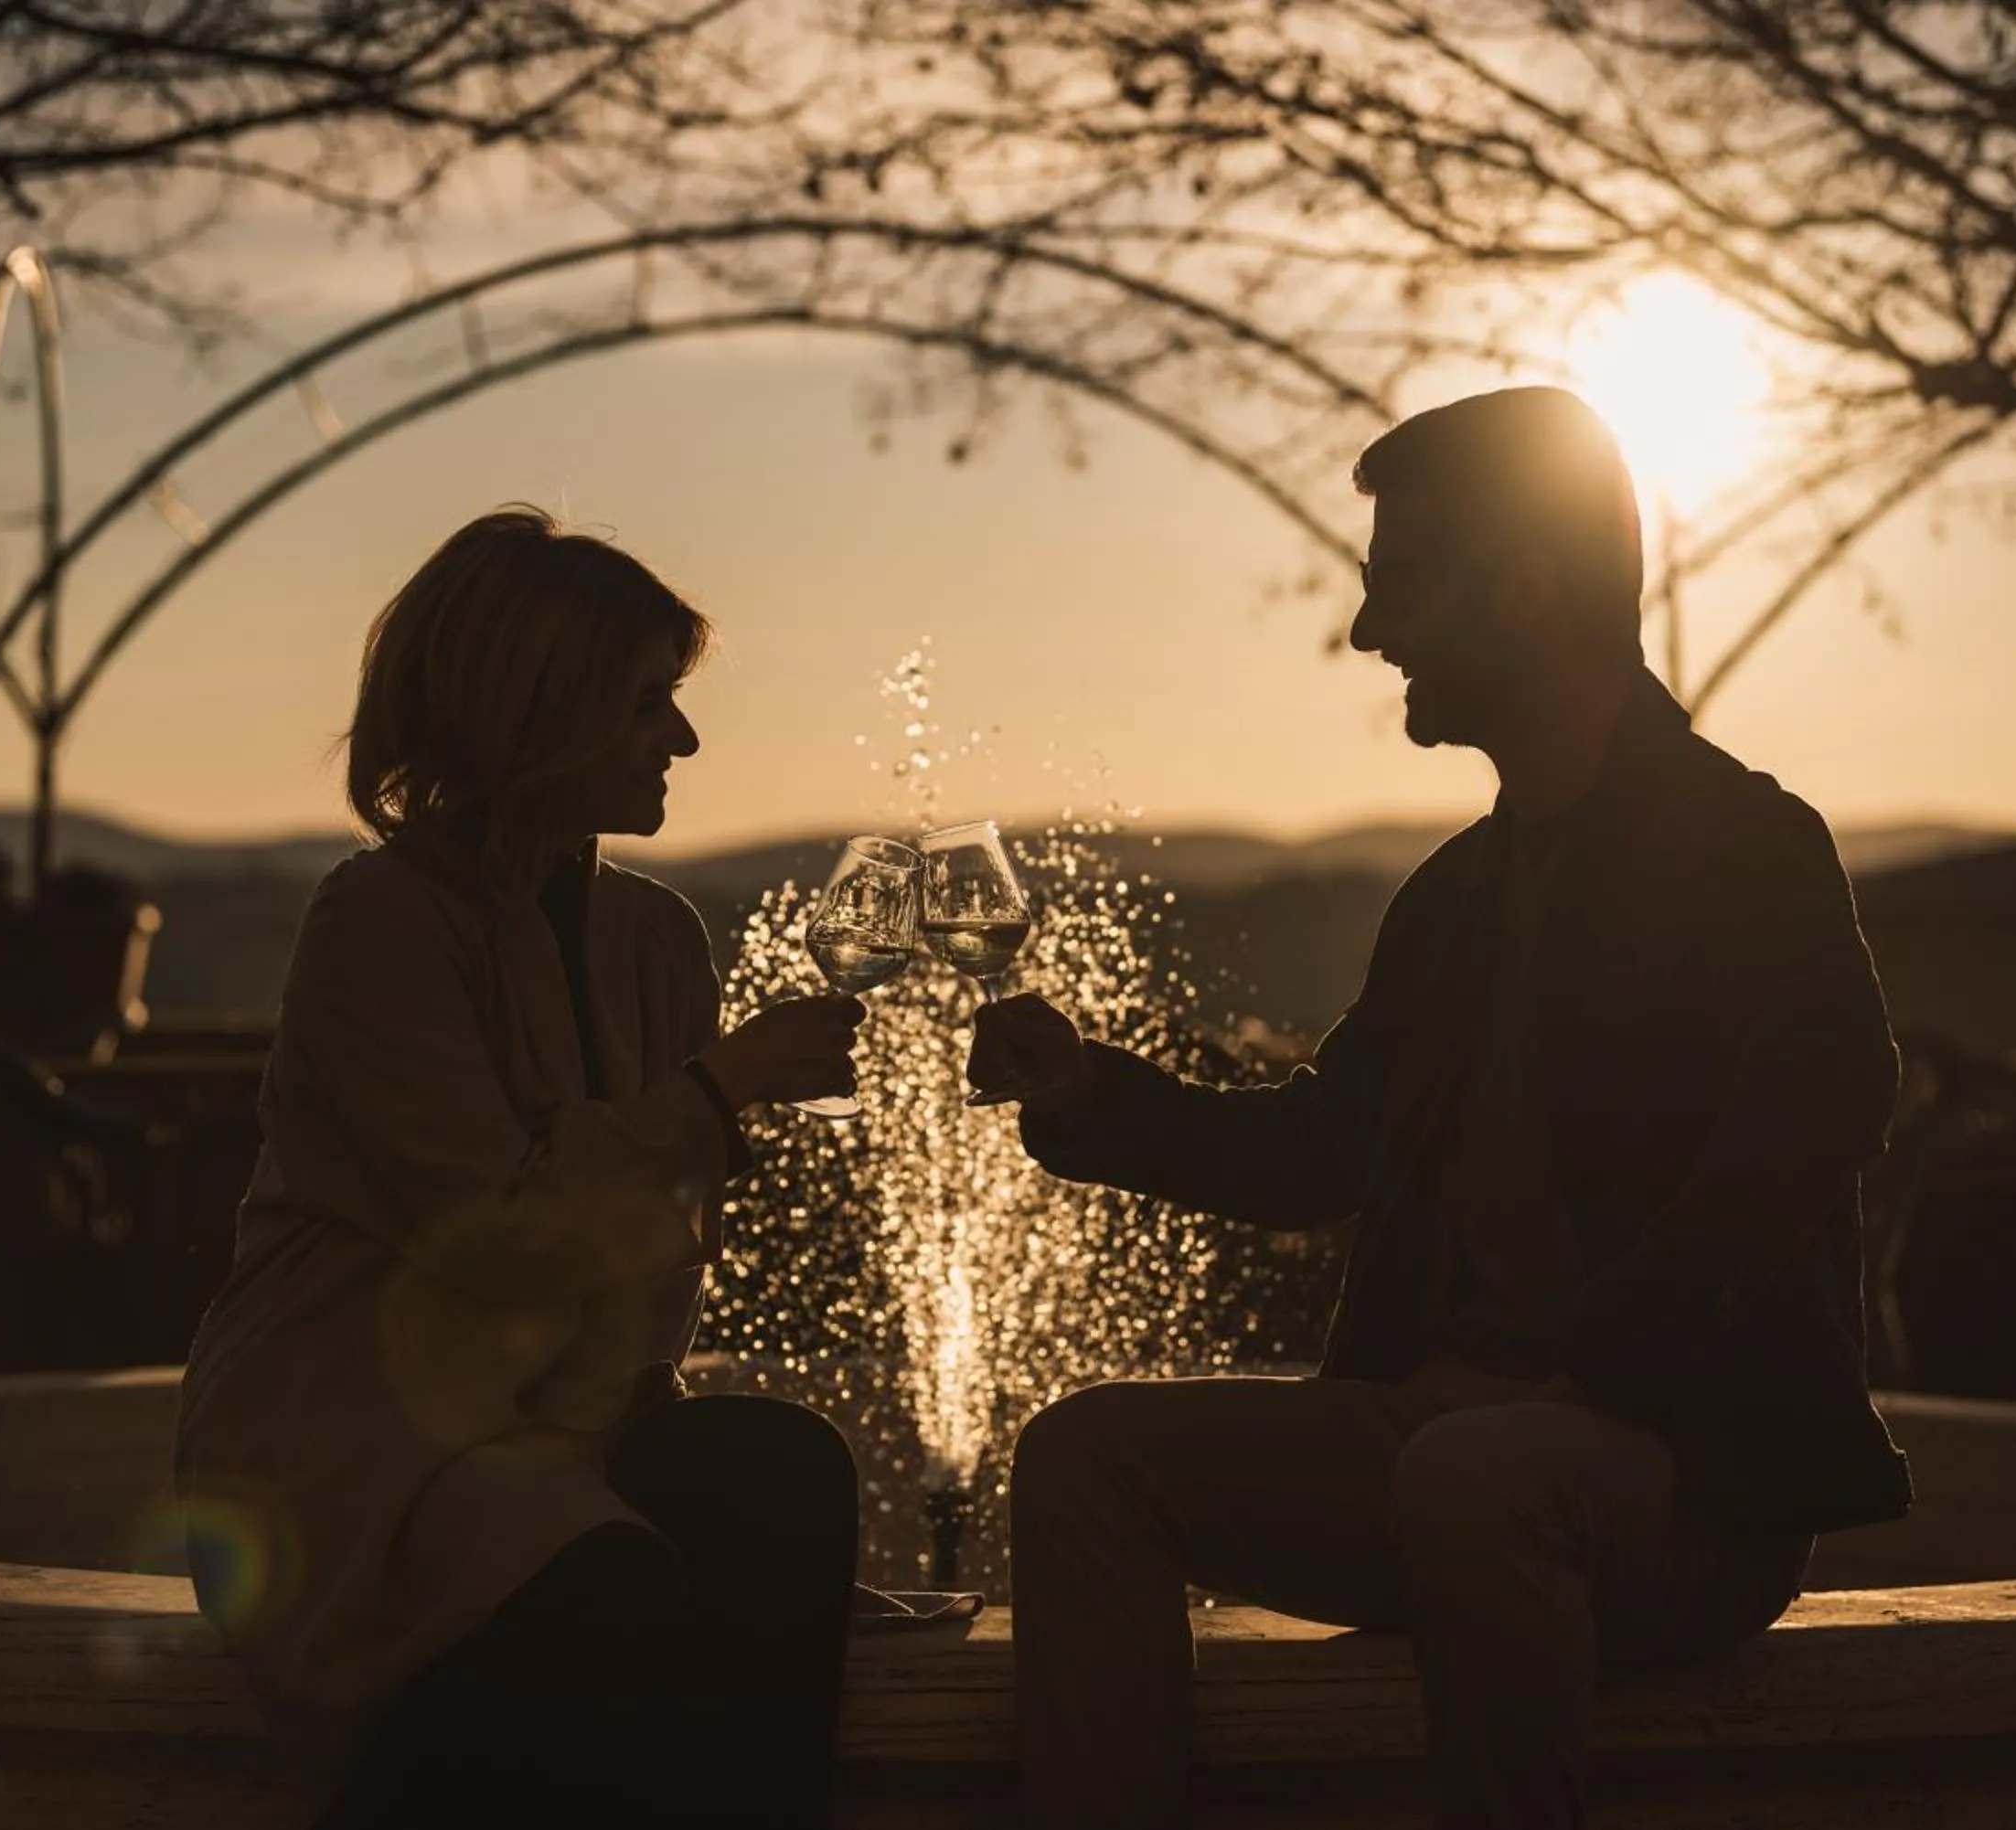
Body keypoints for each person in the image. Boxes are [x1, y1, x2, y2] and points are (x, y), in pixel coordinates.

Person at [969, 388, 1915, 1829]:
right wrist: (1095, 1097)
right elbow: (1321, 1150)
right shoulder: (1457, 900)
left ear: (1524, 588)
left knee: (1480, 1475)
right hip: (1450, 1447)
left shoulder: (1745, 845)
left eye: (1397, 582)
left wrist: (1596, 1360)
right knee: (1086, 1455)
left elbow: (1828, 1104)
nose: (1369, 631)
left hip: (1690, 1482)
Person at [176, 506, 869, 1828]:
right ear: (535, 710)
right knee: (595, 1582)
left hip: (562, 1429)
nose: (685, 738)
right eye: (647, 702)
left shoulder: (655, 936)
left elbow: (656, 1237)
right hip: (362, 1442)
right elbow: (491, 1232)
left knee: (780, 1470)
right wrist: (720, 1093)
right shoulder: (377, 924)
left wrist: (736, 1127)